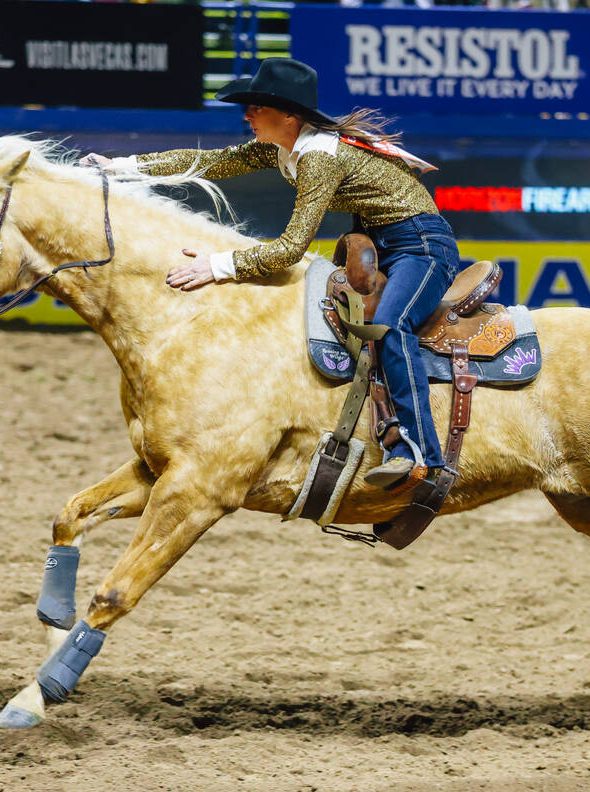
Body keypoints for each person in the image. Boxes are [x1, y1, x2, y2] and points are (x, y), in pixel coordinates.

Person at [82, 58, 460, 491]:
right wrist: (120, 167)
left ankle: (421, 454)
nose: (247, 115)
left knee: (391, 328)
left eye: (256, 107)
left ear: (289, 116)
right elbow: (207, 163)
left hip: (422, 247)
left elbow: (291, 248)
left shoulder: (320, 158)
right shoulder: (285, 147)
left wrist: (218, 265)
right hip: (380, 243)